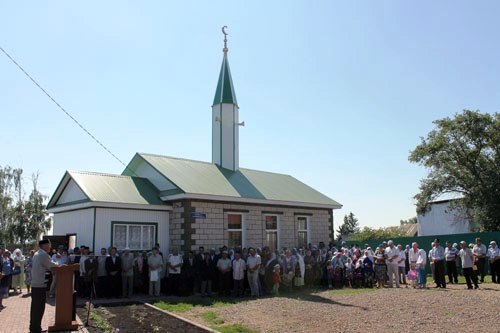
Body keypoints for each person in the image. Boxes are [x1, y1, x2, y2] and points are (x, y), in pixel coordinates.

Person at [30, 239, 59, 333]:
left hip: (36, 285)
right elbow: (52, 266)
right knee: (38, 308)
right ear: (45, 245)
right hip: (39, 286)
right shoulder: (43, 254)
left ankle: (35, 328)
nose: (51, 247)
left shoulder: (38, 253)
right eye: (49, 245)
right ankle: (35, 329)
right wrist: (61, 264)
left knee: (36, 308)